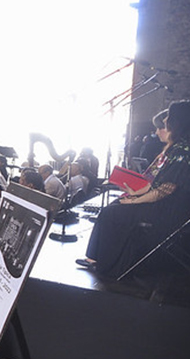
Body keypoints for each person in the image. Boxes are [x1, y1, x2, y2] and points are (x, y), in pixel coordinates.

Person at [78, 101, 190, 277]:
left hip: (170, 210)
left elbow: (166, 189)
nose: (166, 119)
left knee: (113, 213)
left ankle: (105, 262)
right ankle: (95, 258)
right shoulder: (178, 147)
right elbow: (156, 184)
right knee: (115, 205)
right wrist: (134, 193)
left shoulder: (183, 150)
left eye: (169, 116)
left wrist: (135, 200)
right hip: (165, 204)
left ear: (178, 121)